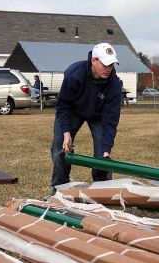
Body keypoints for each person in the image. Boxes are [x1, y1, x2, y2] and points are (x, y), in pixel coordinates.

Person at [51, 42, 122, 194]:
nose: (108, 69)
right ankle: (60, 188)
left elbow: (111, 120)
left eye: (111, 65)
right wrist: (66, 132)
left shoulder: (114, 84)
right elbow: (62, 106)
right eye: (105, 64)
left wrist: (106, 149)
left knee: (102, 155)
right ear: (94, 60)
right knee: (59, 149)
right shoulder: (74, 74)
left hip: (98, 114)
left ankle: (102, 190)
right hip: (72, 111)